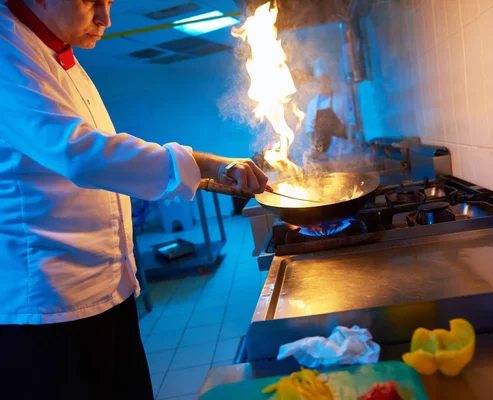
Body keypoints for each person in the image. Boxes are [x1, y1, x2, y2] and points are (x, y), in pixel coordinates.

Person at [0, 0, 268, 398]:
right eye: (91, 1)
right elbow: (81, 154)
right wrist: (205, 164)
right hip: (49, 306)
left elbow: (98, 160)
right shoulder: (8, 53)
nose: (106, 18)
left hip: (104, 291)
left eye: (109, 1)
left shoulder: (53, 50)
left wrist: (203, 177)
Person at [304, 59, 358, 154]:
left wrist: (351, 143)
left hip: (343, 148)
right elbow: (310, 128)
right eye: (319, 82)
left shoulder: (341, 99)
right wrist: (312, 146)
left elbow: (351, 122)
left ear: (329, 81)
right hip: (322, 151)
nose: (323, 84)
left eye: (325, 80)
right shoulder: (312, 104)